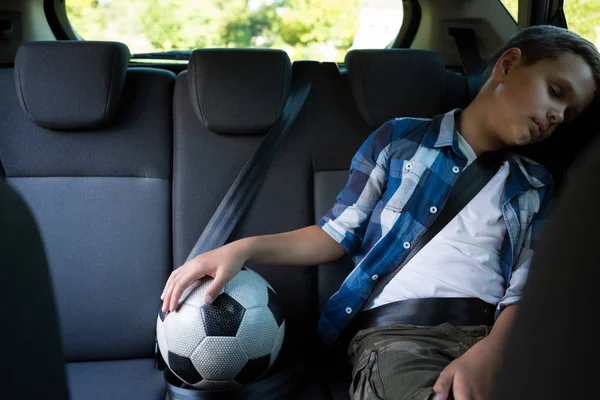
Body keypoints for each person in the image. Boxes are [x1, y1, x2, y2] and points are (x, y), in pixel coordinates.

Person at [160, 25, 600, 400]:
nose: (557, 115)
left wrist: (492, 352)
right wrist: (241, 249)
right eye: (555, 92)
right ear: (507, 65)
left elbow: (526, 286)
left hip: (495, 337)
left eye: (570, 111)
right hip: (397, 337)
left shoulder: (535, 183)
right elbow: (336, 234)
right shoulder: (399, 143)